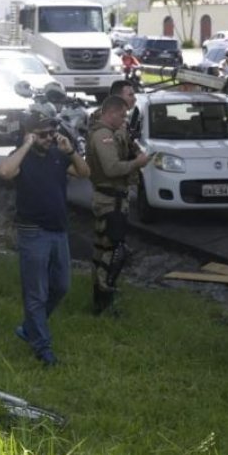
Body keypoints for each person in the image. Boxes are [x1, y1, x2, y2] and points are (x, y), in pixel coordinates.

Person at [0, 112, 90, 366]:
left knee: (61, 287)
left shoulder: (58, 155)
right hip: (33, 232)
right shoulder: (22, 157)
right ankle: (42, 347)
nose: (50, 138)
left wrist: (70, 151)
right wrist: (26, 144)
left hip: (59, 231)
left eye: (52, 132)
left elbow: (84, 172)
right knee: (36, 293)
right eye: (43, 134)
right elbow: (4, 172)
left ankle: (29, 328)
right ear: (30, 135)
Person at [86, 95, 150, 315]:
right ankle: (103, 300)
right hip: (108, 200)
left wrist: (133, 148)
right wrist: (137, 163)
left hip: (116, 198)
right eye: (122, 115)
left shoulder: (114, 132)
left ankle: (103, 297)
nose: (124, 119)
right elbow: (111, 168)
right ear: (111, 113)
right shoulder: (102, 135)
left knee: (108, 248)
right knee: (111, 252)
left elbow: (126, 145)